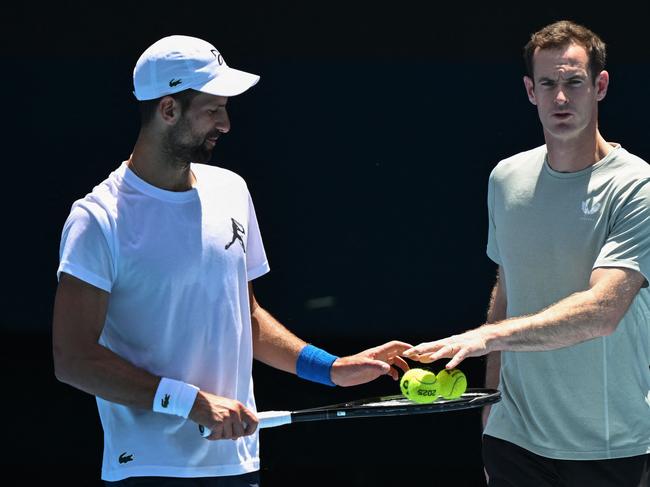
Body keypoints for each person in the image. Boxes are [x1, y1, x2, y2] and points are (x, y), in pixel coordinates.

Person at [52, 35, 411, 485]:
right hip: (149, 470)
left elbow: (246, 315)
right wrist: (189, 402)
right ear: (168, 111)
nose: (226, 124)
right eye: (212, 110)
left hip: (238, 464)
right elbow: (73, 359)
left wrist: (331, 369)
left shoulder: (232, 190)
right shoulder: (97, 219)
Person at [402, 20, 650, 487]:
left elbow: (603, 312)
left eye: (574, 82)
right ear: (530, 91)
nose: (561, 98)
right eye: (548, 84)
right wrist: (492, 410)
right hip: (513, 441)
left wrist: (486, 338)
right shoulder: (506, 179)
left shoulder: (637, 185)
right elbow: (508, 288)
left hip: (611, 444)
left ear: (600, 86)